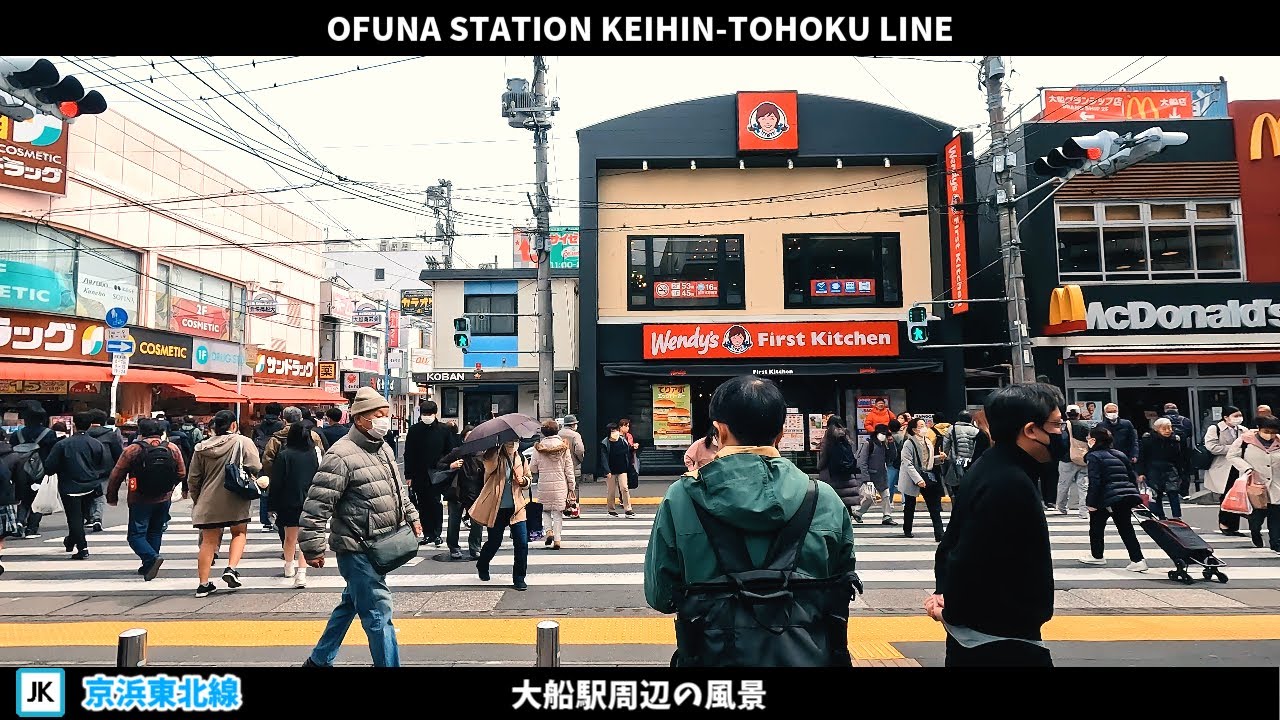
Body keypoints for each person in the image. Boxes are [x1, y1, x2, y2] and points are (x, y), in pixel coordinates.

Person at [644, 375, 857, 667]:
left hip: (711, 656)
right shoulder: (823, 498)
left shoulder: (681, 498)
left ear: (719, 430)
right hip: (808, 655)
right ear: (781, 433)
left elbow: (660, 596)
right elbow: (840, 583)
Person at [926, 383, 1061, 667]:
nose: (1062, 432)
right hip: (1000, 638)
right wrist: (951, 609)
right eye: (1056, 424)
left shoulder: (991, 467)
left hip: (983, 633)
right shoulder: (1011, 482)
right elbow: (969, 556)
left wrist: (945, 594)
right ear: (1030, 430)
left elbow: (950, 545)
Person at [301, 387, 421, 667]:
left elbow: (398, 489)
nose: (384, 420)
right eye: (378, 415)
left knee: (351, 603)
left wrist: (412, 516)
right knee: (379, 612)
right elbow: (317, 505)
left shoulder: (384, 448)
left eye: (386, 415)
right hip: (357, 548)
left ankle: (319, 659)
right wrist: (313, 548)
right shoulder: (341, 455)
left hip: (380, 543)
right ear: (359, 419)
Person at [187, 410, 263, 598]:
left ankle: (203, 584)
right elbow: (256, 465)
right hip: (234, 496)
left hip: (208, 499)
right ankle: (231, 568)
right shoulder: (243, 442)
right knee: (239, 533)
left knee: (208, 541)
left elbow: (193, 478)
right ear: (233, 425)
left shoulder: (201, 448)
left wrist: (197, 500)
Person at [107, 417, 186, 582]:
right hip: (164, 497)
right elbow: (181, 473)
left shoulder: (133, 449)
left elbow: (116, 474)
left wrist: (112, 496)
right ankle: (149, 563)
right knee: (155, 530)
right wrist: (169, 486)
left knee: (135, 535)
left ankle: (150, 558)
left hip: (139, 497)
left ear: (140, 432)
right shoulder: (171, 448)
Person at [44, 412, 113, 560]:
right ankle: (71, 540)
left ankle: (82, 547)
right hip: (91, 485)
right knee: (82, 516)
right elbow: (104, 466)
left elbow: (49, 466)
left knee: (74, 518)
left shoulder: (62, 444)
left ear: (74, 425)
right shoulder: (96, 444)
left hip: (69, 486)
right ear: (89, 426)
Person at [1079, 427, 1146, 571]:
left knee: (1099, 527)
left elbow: (1095, 481)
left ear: (1094, 440)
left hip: (1107, 498)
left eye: (1089, 437)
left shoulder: (1094, 456)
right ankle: (1136, 559)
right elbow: (1131, 476)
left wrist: (1090, 503)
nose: (1087, 440)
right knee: (1123, 527)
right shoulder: (1120, 454)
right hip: (1124, 496)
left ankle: (1099, 556)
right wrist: (1135, 496)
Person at [470, 439, 532, 590]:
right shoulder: (494, 456)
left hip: (517, 508)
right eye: (509, 441)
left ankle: (519, 578)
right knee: (494, 542)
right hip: (497, 508)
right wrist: (495, 450)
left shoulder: (521, 457)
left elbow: (529, 478)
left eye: (515, 440)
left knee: (522, 543)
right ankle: (482, 564)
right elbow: (488, 467)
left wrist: (523, 481)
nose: (513, 443)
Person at [261, 406, 327, 536]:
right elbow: (321, 456)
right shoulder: (313, 436)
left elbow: (267, 460)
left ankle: (287, 548)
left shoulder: (276, 439)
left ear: (284, 419)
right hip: (309, 482)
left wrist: (272, 476)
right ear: (301, 418)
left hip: (284, 484)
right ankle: (304, 548)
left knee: (285, 521)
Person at [270, 421, 321, 588]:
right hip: (309, 500)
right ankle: (302, 574)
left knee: (290, 537)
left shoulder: (285, 455)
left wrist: (272, 504)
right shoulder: (314, 453)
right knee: (304, 538)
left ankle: (289, 566)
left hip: (288, 500)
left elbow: (277, 482)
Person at [403, 400, 454, 548]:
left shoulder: (444, 430)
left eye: (429, 414)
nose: (427, 416)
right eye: (424, 414)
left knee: (436, 503)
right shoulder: (414, 430)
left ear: (435, 414)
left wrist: (445, 467)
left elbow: (450, 451)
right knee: (422, 504)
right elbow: (409, 453)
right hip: (419, 473)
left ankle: (437, 534)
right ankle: (427, 533)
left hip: (438, 473)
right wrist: (408, 475)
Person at [1227, 415, 1280, 552]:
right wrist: (1246, 468)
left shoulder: (1279, 441)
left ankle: (1276, 542)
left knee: (1276, 514)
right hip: (1254, 483)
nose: (1270, 435)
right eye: (1267, 432)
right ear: (1259, 429)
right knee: (1258, 515)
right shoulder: (1245, 440)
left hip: (1276, 484)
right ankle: (1255, 531)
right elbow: (1232, 456)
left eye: (1273, 432)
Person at [13, 401, 59, 539]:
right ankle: (32, 528)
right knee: (39, 499)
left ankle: (20, 521)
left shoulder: (17, 434)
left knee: (23, 498)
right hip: (41, 470)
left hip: (20, 470)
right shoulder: (49, 434)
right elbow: (53, 453)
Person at [529, 420, 576, 550]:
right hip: (560, 484)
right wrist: (571, 486)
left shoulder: (538, 449)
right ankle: (557, 540)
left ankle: (548, 531)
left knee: (545, 510)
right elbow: (569, 469)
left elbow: (532, 468)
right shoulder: (563, 448)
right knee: (558, 513)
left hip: (544, 483)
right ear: (557, 431)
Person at [899, 417, 946, 541]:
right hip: (912, 478)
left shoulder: (928, 441)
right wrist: (918, 479)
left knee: (934, 506)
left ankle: (939, 533)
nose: (924, 427)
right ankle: (907, 528)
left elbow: (928, 461)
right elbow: (907, 463)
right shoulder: (909, 443)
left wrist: (939, 458)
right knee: (910, 504)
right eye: (921, 426)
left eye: (924, 425)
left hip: (927, 476)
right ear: (914, 429)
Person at [437, 443, 486, 561]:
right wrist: (451, 465)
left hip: (475, 493)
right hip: (457, 493)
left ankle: (475, 548)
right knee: (454, 521)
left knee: (477, 522)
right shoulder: (457, 452)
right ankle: (454, 547)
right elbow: (440, 464)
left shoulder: (481, 453)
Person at [1206, 406, 1248, 536]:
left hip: (1239, 466)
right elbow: (1212, 447)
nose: (1238, 418)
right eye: (1235, 416)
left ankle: (1234, 526)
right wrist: (1233, 449)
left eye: (1239, 415)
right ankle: (1224, 524)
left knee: (1238, 495)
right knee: (1226, 496)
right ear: (1225, 417)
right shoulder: (1215, 429)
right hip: (1222, 467)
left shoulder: (1243, 430)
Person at [1138, 417, 1188, 521]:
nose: (1168, 431)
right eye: (1164, 429)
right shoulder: (1148, 440)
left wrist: (1181, 472)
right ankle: (1160, 516)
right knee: (1157, 494)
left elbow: (1179, 458)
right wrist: (1141, 473)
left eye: (1169, 428)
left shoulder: (1175, 440)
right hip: (1153, 468)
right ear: (1156, 429)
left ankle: (1176, 516)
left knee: (1173, 492)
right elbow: (1142, 457)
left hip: (1170, 468)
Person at [84, 409, 123, 531]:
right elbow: (118, 452)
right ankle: (97, 518)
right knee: (100, 494)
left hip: (85, 468)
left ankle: (89, 517)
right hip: (105, 468)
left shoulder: (84, 434)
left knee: (86, 493)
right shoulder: (111, 435)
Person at [817, 417, 860, 521]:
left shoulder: (828, 436)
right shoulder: (846, 435)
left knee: (834, 500)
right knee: (846, 501)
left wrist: (819, 467)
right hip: (847, 473)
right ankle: (848, 519)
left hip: (832, 474)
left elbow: (824, 457)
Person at [252, 403, 286, 532]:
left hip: (262, 462)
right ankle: (277, 518)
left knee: (264, 491)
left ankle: (266, 522)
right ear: (279, 413)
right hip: (278, 462)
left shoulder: (258, 427)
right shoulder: (282, 426)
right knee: (279, 491)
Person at [1055, 405, 1091, 519]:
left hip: (1066, 459)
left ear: (1066, 414)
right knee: (1084, 486)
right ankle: (1083, 512)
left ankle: (1061, 508)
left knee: (1064, 485)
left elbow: (1061, 441)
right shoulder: (1086, 425)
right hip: (1082, 459)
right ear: (1079, 414)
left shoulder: (1064, 426)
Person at [857, 423, 893, 524]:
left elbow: (891, 458)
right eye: (882, 433)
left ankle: (887, 516)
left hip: (881, 475)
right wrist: (866, 478)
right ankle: (858, 513)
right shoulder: (868, 444)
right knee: (869, 498)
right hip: (870, 476)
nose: (884, 436)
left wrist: (891, 444)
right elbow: (862, 462)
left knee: (886, 495)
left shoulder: (884, 445)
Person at [942, 411, 981, 501]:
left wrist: (945, 456)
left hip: (956, 463)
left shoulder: (952, 428)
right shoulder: (976, 430)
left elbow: (946, 446)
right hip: (971, 464)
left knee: (956, 490)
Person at [598, 424, 635, 517]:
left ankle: (628, 509)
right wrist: (607, 470)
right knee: (611, 490)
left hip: (622, 469)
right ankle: (611, 510)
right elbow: (604, 458)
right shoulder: (605, 443)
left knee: (624, 488)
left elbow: (627, 452)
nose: (615, 432)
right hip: (611, 470)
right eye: (612, 431)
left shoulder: (622, 441)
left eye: (616, 430)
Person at [558, 415, 586, 516]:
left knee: (562, 487)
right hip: (573, 465)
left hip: (559, 466)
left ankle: (564, 508)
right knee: (574, 487)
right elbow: (580, 450)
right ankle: (574, 508)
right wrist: (579, 459)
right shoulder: (575, 435)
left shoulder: (558, 434)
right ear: (573, 424)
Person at [618, 418, 641, 492]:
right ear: (621, 427)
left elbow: (630, 446)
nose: (627, 428)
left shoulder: (628, 436)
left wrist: (634, 446)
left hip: (628, 460)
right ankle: (622, 498)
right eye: (626, 426)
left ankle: (623, 498)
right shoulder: (616, 436)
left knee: (626, 481)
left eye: (628, 426)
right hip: (619, 461)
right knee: (621, 482)